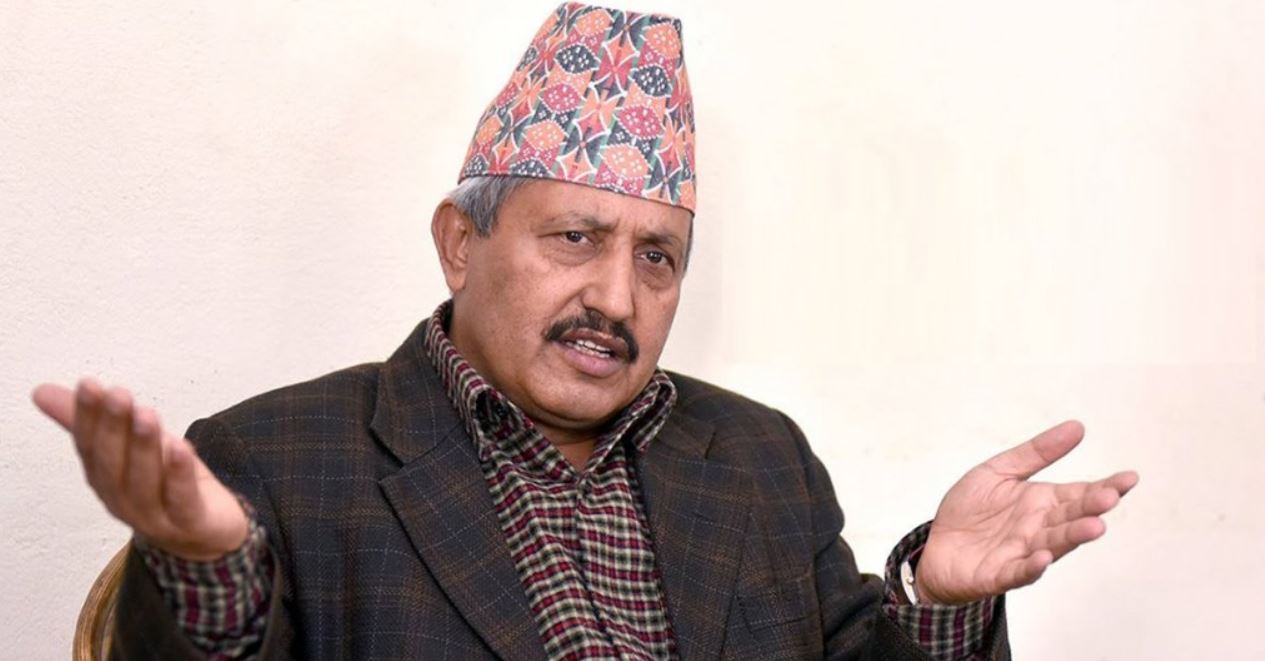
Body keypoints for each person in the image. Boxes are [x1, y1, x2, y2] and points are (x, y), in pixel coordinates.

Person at [33, 3, 1138, 659]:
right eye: (575, 237)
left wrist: (937, 597)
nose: (617, 294)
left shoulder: (759, 457)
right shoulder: (278, 460)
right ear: (459, 244)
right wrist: (206, 567)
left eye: (657, 257)